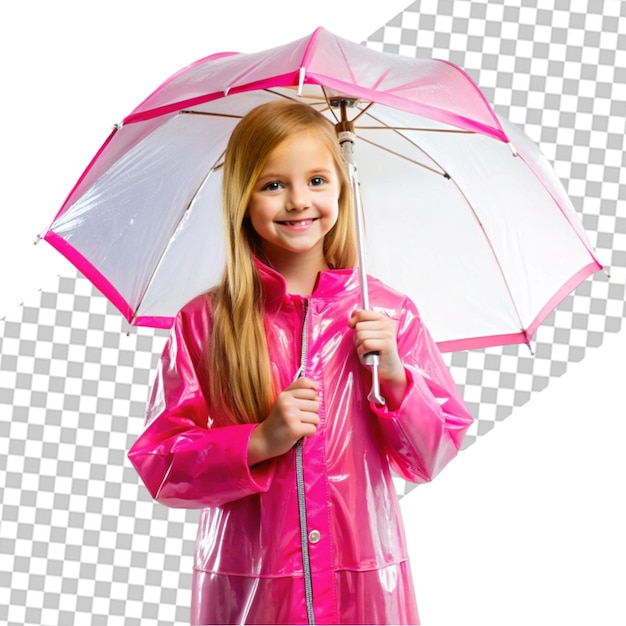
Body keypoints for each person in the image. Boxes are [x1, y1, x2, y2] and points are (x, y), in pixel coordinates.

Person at [128, 99, 473, 625]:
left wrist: (397, 378)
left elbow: (432, 456)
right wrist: (259, 441)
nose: (297, 201)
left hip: (364, 584)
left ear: (342, 187)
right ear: (242, 199)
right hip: (254, 588)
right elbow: (162, 463)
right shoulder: (206, 323)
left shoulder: (387, 315)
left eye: (316, 180)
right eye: (273, 185)